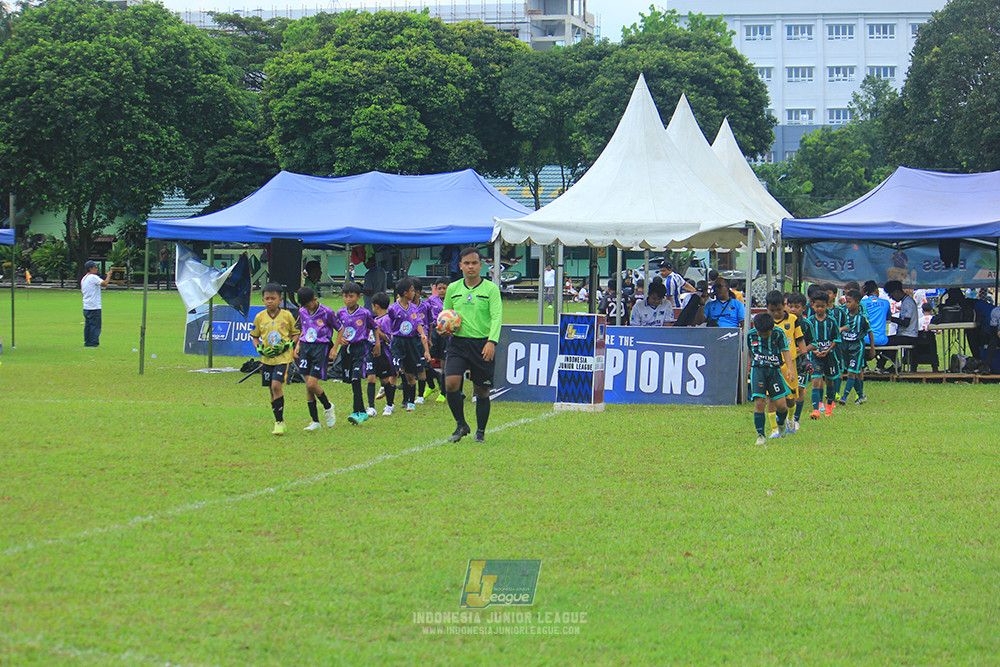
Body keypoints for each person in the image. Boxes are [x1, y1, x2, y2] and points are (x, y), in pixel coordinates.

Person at [442, 247, 503, 444]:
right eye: (466, 263)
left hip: (482, 344)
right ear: (460, 266)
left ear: (480, 265)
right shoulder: (453, 288)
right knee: (450, 383)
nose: (470, 267)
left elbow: (496, 317)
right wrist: (443, 328)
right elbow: (446, 315)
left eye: (474, 263)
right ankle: (461, 424)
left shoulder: (491, 289)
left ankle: (481, 432)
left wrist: (491, 342)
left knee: (481, 390)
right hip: (458, 343)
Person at [250, 283, 301, 435]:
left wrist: (288, 345)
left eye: (273, 298)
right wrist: (259, 348)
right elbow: (254, 336)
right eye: (267, 298)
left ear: (280, 300)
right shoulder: (260, 317)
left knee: (276, 386)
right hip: (267, 359)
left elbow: (295, 333)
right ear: (263, 300)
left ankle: (279, 422)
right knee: (272, 391)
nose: (269, 301)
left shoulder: (286, 315)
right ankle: (279, 420)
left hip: (283, 358)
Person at [333, 282, 380, 425]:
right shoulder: (340, 312)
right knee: (351, 381)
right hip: (347, 350)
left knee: (356, 379)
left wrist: (377, 344)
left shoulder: (364, 313)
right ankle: (363, 413)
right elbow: (338, 328)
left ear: (358, 297)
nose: (348, 299)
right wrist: (340, 339)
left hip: (361, 348)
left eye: (351, 296)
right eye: (345, 296)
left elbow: (375, 327)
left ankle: (356, 412)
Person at [294, 286, 338, 431]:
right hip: (306, 347)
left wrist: (334, 348)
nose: (307, 308)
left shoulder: (327, 312)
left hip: (321, 347)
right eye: (304, 306)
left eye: (308, 304)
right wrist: (298, 345)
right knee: (308, 385)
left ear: (315, 299)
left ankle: (328, 407)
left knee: (312, 384)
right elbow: (304, 329)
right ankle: (315, 421)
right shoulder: (302, 311)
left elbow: (341, 328)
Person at [747, 313, 793, 446]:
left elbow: (785, 351)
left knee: (782, 406)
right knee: (759, 402)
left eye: (766, 333)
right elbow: (751, 352)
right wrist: (750, 369)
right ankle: (761, 435)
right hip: (758, 370)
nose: (763, 336)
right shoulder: (751, 335)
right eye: (761, 333)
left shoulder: (778, 333)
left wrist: (790, 369)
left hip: (774, 371)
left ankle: (781, 422)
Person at [386, 277, 431, 413]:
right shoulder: (393, 309)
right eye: (412, 290)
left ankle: (411, 402)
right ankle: (389, 405)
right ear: (406, 293)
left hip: (412, 342)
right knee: (394, 373)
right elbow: (389, 325)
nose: (414, 292)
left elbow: (418, 323)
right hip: (398, 342)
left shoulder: (413, 308)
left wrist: (422, 335)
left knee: (411, 374)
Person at [764, 290, 806, 436]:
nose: (776, 313)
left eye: (779, 310)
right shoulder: (766, 322)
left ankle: (790, 419)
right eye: (772, 310)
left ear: (784, 305)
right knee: (771, 396)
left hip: (790, 364)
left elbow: (800, 339)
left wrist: (805, 357)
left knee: (790, 399)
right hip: (772, 364)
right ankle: (774, 428)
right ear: (767, 308)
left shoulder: (793, 319)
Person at [806, 290, 841, 419]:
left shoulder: (831, 321)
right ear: (813, 306)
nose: (819, 309)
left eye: (822, 306)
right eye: (817, 306)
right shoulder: (809, 322)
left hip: (829, 355)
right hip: (815, 356)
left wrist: (827, 350)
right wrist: (813, 350)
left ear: (827, 305)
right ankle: (815, 410)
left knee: (830, 381)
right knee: (816, 380)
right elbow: (806, 340)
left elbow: (836, 339)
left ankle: (829, 404)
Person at [839, 289, 875, 405]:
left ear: (858, 302)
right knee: (852, 372)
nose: (847, 304)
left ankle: (844, 397)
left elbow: (870, 332)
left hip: (857, 347)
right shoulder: (844, 316)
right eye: (846, 302)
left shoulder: (862, 318)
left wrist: (872, 349)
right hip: (845, 346)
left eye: (849, 302)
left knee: (851, 372)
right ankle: (861, 396)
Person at [784, 291, 814, 430]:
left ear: (803, 308)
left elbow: (813, 343)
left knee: (800, 389)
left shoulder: (807, 324)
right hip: (786, 362)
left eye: (796, 306)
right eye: (790, 306)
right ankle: (786, 417)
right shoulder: (785, 322)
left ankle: (796, 419)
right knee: (787, 391)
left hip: (801, 361)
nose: (793, 309)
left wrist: (802, 350)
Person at [879, 280, 919, 373]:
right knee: (888, 340)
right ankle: (893, 365)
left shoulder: (908, 303)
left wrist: (891, 318)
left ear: (897, 292)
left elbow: (906, 323)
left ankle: (881, 365)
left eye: (891, 295)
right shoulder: (905, 302)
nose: (892, 298)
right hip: (905, 334)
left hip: (909, 335)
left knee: (886, 341)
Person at [369, 292, 399, 415]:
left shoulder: (386, 319)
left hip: (382, 350)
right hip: (371, 350)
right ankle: (371, 407)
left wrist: (377, 330)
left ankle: (390, 405)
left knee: (385, 379)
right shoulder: (375, 319)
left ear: (376, 306)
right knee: (371, 377)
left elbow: (388, 338)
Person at [423, 277, 449, 403]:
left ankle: (443, 392)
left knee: (444, 361)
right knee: (426, 359)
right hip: (433, 332)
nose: (442, 291)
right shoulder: (431, 300)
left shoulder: (452, 300)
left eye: (444, 288)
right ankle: (432, 384)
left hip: (446, 333)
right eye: (439, 288)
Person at [81, 260, 112, 347]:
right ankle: (93, 342)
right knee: (95, 325)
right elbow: (104, 284)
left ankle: (87, 341)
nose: (97, 269)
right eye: (95, 267)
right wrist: (108, 276)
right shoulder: (93, 277)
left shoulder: (84, 278)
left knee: (88, 325)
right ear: (91, 268)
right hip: (94, 306)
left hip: (86, 305)